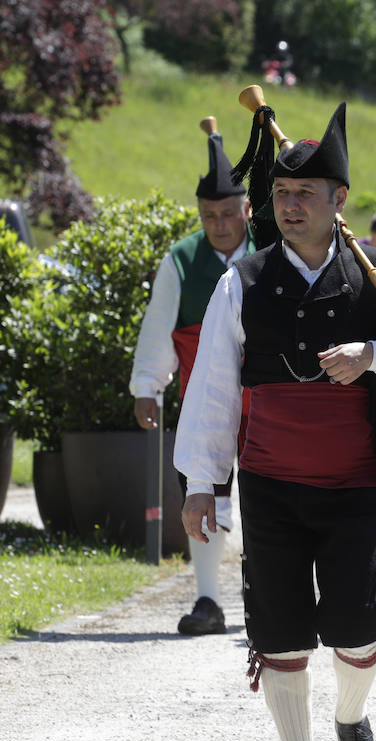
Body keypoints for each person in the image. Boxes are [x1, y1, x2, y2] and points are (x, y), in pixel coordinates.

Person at [174, 103, 376, 741]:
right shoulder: (242, 280)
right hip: (271, 486)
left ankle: (350, 721)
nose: (290, 205)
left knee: (362, 628)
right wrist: (203, 483)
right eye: (280, 194)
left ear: (340, 203)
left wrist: (375, 355)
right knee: (278, 633)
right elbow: (213, 387)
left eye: (306, 195)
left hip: (357, 484)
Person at [130, 123, 253, 637]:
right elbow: (159, 326)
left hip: (271, 401)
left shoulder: (273, 250)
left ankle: (269, 594)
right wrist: (147, 384)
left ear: (246, 209)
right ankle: (207, 600)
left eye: (228, 214)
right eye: (209, 216)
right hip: (208, 402)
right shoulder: (181, 260)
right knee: (206, 493)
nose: (219, 225)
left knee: (278, 497)